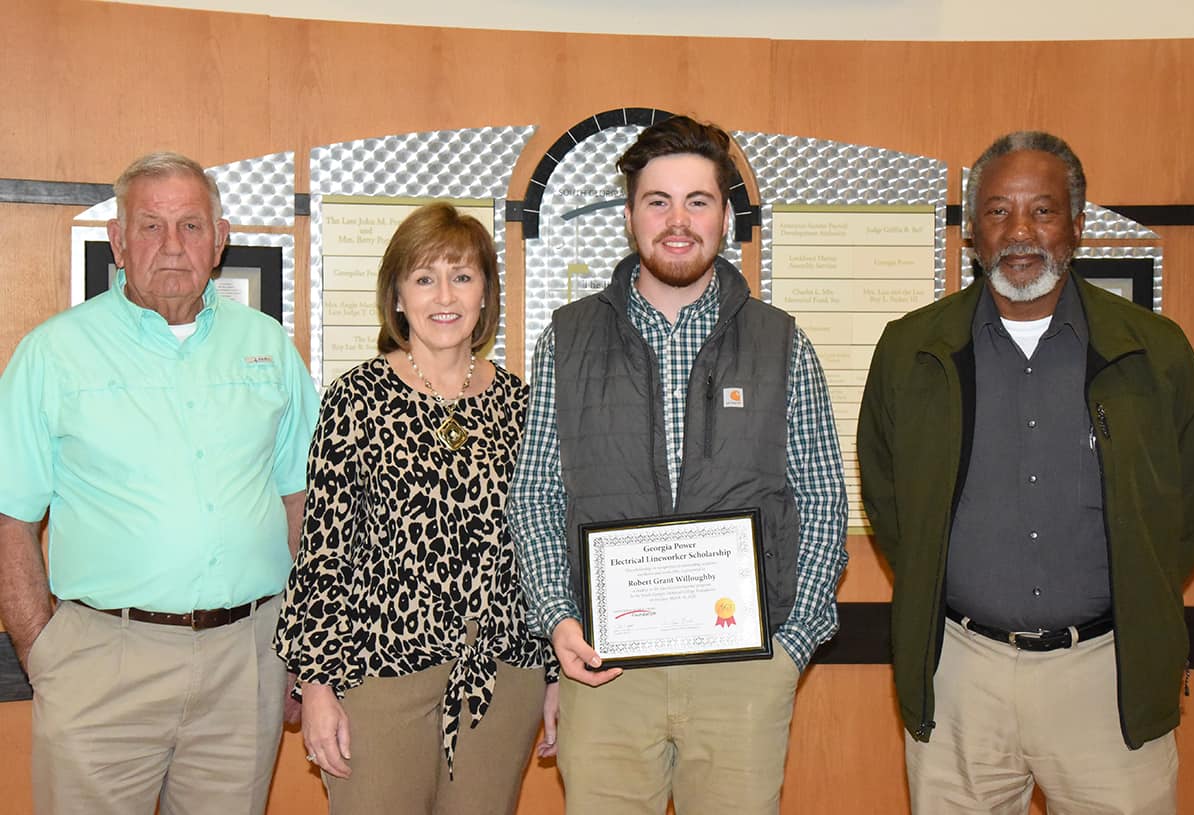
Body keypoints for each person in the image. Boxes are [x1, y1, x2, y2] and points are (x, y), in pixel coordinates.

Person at [507, 115, 848, 815]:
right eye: (657, 200)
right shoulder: (566, 340)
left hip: (742, 672)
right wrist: (559, 620)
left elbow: (821, 499)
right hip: (607, 671)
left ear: (725, 215)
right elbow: (535, 494)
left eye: (699, 200)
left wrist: (791, 645)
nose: (678, 220)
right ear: (630, 215)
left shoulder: (781, 343)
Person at [857, 130, 1194, 814]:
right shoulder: (910, 350)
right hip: (960, 678)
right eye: (996, 211)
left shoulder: (1154, 353)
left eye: (1041, 210)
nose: (1020, 232)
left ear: (1076, 225)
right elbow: (892, 504)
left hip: (1107, 678)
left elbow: (1187, 510)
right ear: (971, 233)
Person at [0, 151, 319, 815]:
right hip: (101, 663)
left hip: (247, 658)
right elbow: (10, 518)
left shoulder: (268, 347)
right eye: (150, 226)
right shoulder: (53, 353)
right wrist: (43, 653)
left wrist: (303, 644)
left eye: (191, 226)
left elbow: (302, 502)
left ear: (221, 236)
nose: (172, 246)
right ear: (117, 240)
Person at [275, 202, 557, 815]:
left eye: (462, 276)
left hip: (503, 676)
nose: (444, 295)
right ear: (398, 296)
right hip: (378, 672)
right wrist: (315, 685)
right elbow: (325, 552)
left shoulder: (522, 404)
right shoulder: (358, 397)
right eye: (424, 278)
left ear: (486, 293)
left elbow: (545, 541)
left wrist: (555, 677)